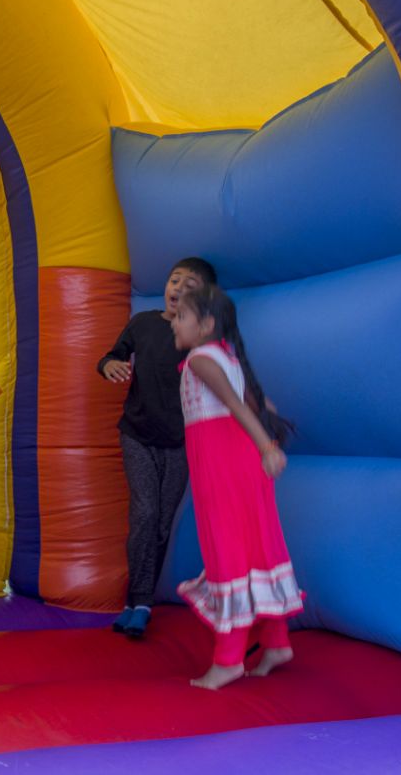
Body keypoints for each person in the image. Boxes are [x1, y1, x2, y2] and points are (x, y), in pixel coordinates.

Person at [168, 283, 302, 690]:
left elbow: (237, 405)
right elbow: (258, 403)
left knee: (226, 549)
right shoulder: (226, 355)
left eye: (181, 316)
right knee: (254, 548)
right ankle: (276, 642)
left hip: (223, 463)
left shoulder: (200, 361)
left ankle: (228, 659)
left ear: (206, 324)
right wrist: (265, 445)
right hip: (240, 462)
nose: (173, 321)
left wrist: (266, 446)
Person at [97, 257, 216, 639]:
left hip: (180, 442)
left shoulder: (198, 339)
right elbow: (111, 355)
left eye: (189, 285)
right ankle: (138, 599)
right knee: (145, 512)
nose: (177, 288)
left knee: (162, 522)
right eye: (174, 279)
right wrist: (110, 365)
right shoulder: (144, 323)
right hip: (137, 434)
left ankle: (142, 599)